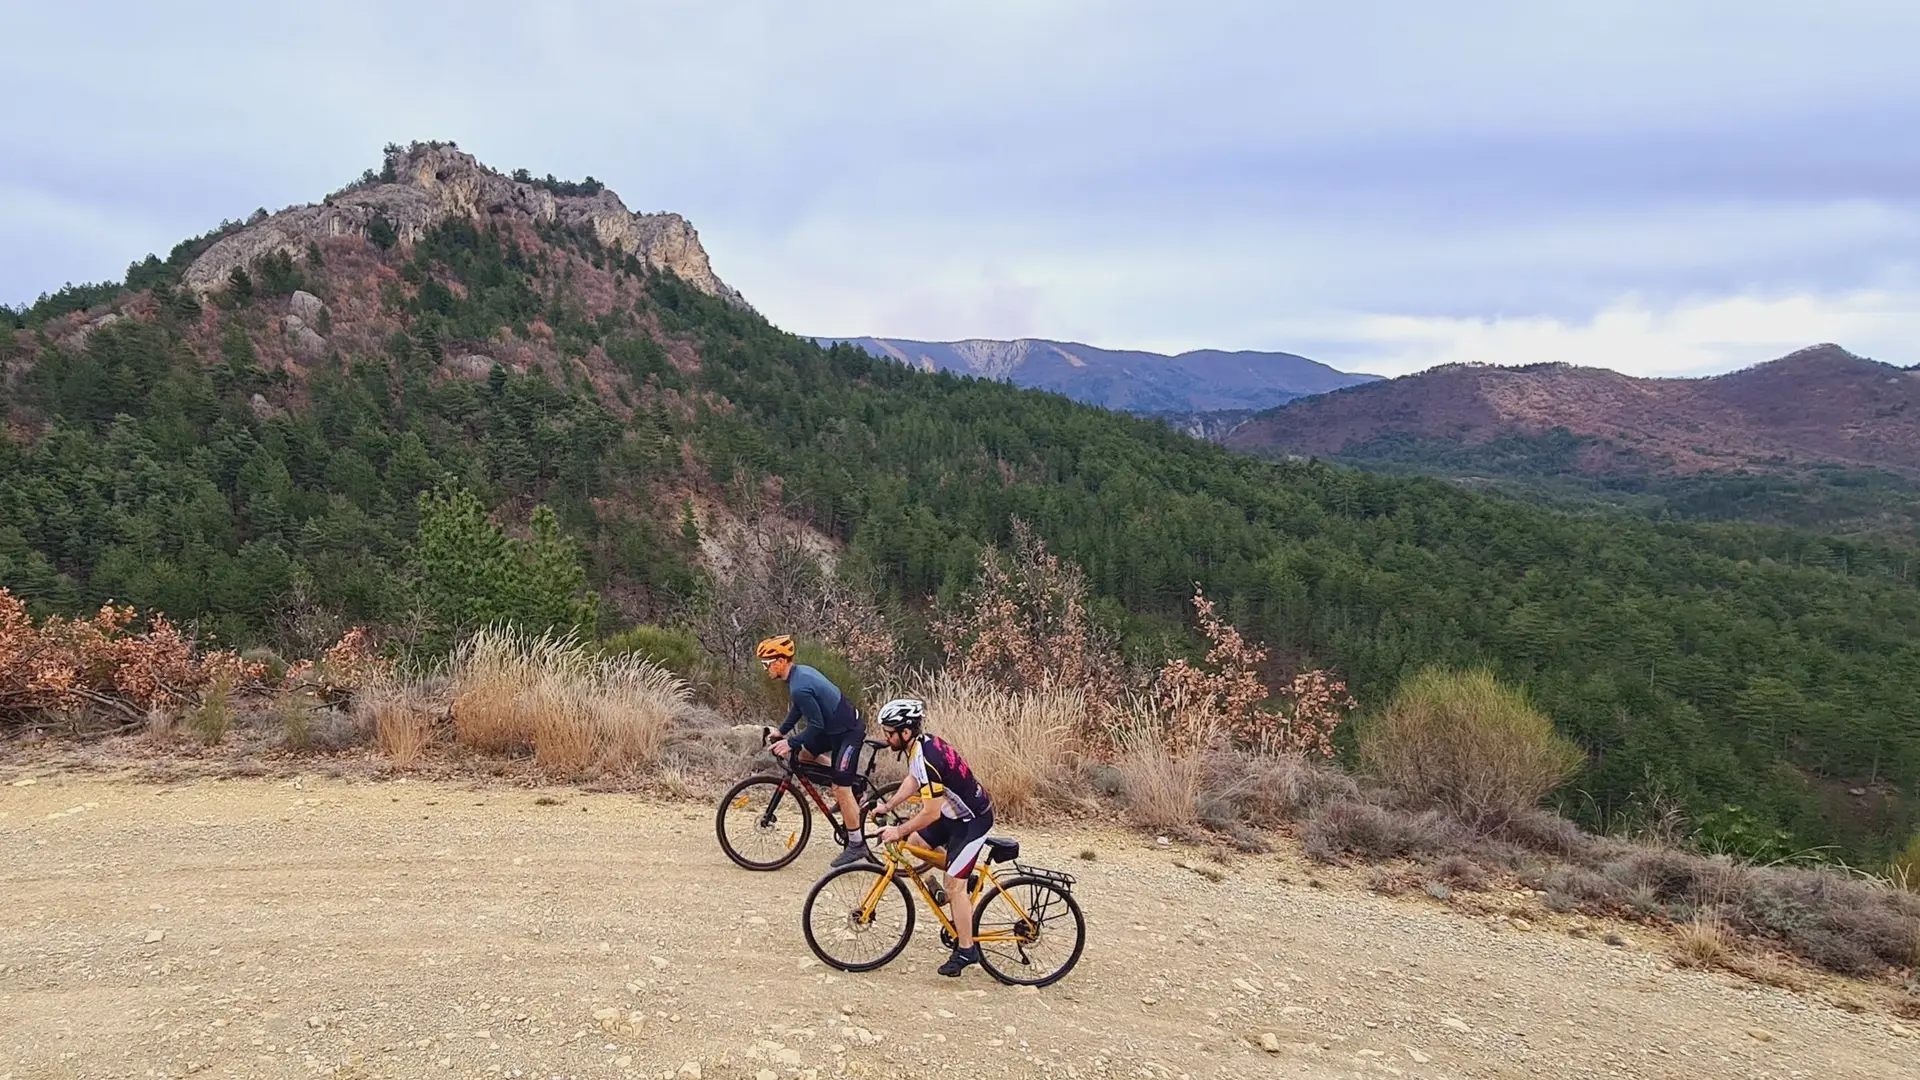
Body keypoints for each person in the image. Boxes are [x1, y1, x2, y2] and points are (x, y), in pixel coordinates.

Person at [869, 697, 995, 978]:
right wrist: (889, 806)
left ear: (905, 732)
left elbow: (930, 814)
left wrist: (897, 830)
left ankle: (966, 950)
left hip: (972, 821)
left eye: (889, 732)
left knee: (953, 887)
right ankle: (965, 877)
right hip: (955, 815)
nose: (885, 737)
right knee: (916, 845)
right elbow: (913, 780)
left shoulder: (928, 757)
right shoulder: (920, 747)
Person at [756, 635, 871, 867]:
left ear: (780, 661)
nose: (765, 668)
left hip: (848, 732)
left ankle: (857, 844)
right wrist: (781, 731)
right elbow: (799, 710)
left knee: (840, 787)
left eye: (766, 663)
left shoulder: (799, 685)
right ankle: (851, 783)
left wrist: (790, 742)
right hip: (833, 729)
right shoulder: (798, 675)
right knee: (805, 756)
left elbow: (816, 725)